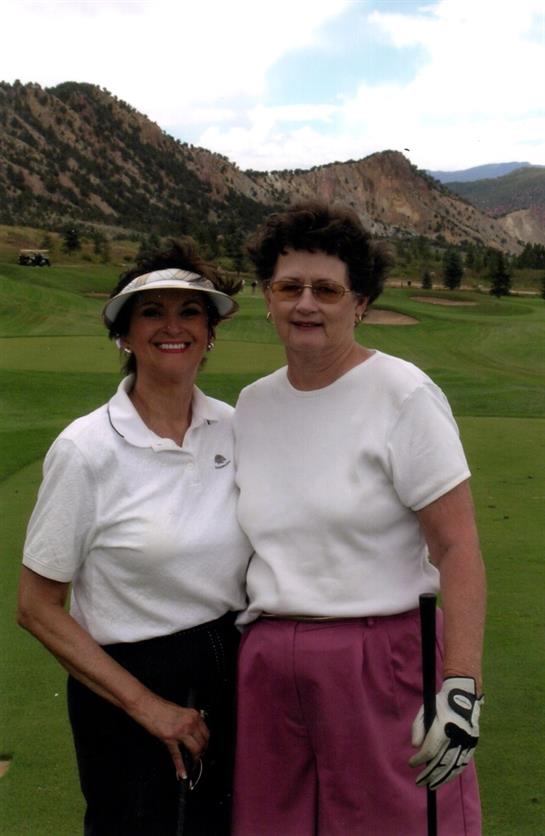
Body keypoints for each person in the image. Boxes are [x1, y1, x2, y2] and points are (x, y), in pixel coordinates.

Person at [232, 202, 486, 836]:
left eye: (328, 289)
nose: (306, 304)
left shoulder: (404, 395)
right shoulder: (253, 404)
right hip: (269, 663)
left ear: (361, 301)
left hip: (380, 658)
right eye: (290, 287)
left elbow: (458, 550)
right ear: (267, 296)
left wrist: (461, 687)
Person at [17, 239, 252, 836]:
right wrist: (148, 707)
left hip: (233, 670)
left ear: (210, 331)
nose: (172, 326)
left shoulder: (236, 426)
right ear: (123, 334)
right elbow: (37, 608)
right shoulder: (85, 449)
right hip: (130, 687)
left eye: (189, 311)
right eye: (151, 312)